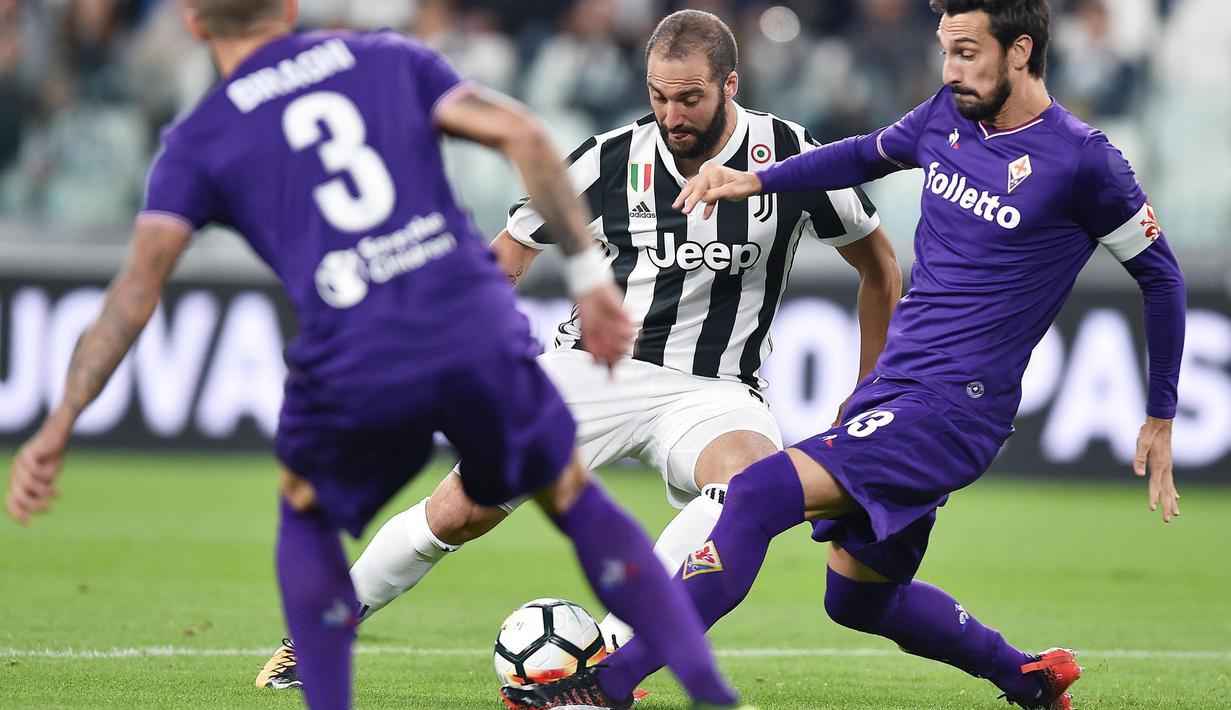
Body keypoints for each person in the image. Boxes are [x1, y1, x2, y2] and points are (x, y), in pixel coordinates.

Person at [2, 2, 750, 709]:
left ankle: (319, 660)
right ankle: (701, 686)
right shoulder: (384, 58)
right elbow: (523, 136)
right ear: (290, 10)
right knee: (568, 493)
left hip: (355, 339)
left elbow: (134, 294)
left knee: (307, 513)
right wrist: (590, 280)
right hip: (468, 314)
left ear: (193, 23)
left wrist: (60, 419)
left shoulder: (201, 139)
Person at [503, 1, 1186, 709]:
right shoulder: (945, 117)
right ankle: (1027, 677)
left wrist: (1159, 414)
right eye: (945, 52)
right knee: (857, 599)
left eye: (966, 54)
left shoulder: (1084, 161)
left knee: (754, 493)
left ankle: (607, 685)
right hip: (897, 389)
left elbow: (1160, 275)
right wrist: (754, 179)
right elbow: (862, 153)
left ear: (1019, 51)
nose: (949, 71)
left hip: (953, 408)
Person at [254, 8, 901, 690]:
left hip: (713, 389)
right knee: (459, 512)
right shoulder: (607, 158)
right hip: (593, 370)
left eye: (689, 98)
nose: (671, 113)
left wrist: (864, 392)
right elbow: (508, 254)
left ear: (730, 85)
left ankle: (609, 662)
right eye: (658, 96)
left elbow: (879, 267)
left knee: (747, 485)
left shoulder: (789, 156)